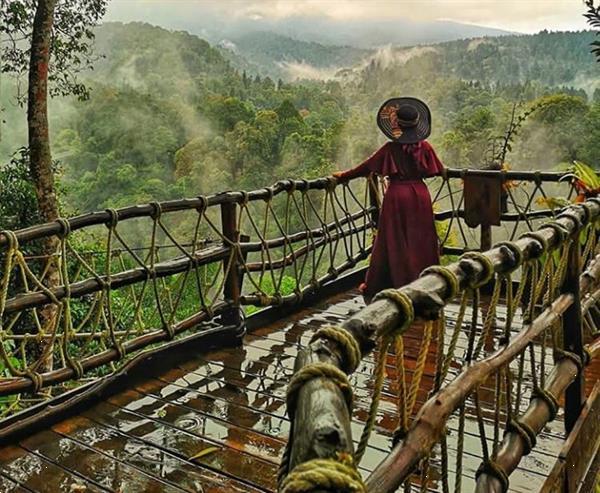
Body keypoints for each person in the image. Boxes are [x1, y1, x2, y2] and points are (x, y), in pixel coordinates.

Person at [333, 97, 445, 301]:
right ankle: (427, 282)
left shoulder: (391, 149)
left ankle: (389, 282)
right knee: (422, 238)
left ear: (398, 125)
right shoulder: (425, 147)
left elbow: (366, 167)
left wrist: (344, 175)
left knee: (391, 239)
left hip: (396, 196)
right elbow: (438, 170)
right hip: (420, 195)